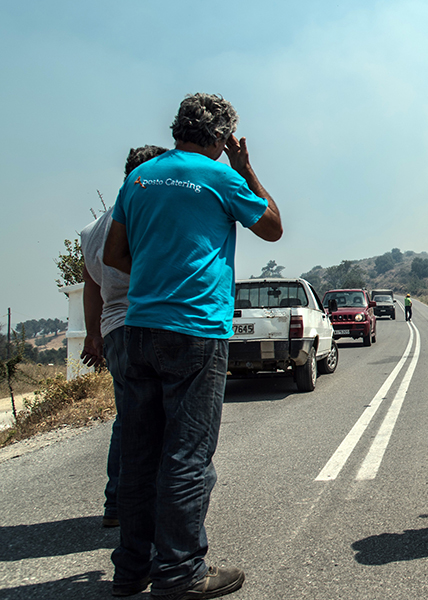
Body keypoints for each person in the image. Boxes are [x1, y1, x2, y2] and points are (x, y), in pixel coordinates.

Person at [103, 93, 282, 600]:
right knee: (187, 455)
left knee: (140, 455)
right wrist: (247, 170)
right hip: (196, 329)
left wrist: (157, 276)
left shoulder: (137, 179)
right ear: (223, 138)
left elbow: (115, 253)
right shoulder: (220, 176)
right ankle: (180, 572)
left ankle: (131, 570)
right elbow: (272, 227)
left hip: (138, 329)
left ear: (178, 126)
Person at [80, 144, 168, 529]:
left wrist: (91, 334)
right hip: (147, 321)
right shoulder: (140, 213)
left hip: (113, 327)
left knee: (128, 417)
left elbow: (89, 285)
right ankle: (151, 507)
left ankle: (117, 502)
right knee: (162, 419)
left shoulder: (91, 230)